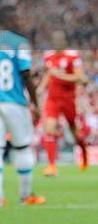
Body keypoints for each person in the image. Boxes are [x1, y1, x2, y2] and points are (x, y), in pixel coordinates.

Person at [0, 6, 45, 207]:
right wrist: (35, 104)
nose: (19, 21)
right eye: (16, 18)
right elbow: (26, 74)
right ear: (7, 20)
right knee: (22, 147)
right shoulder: (19, 43)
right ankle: (25, 196)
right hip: (14, 102)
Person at [39, 29, 88, 176]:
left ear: (64, 40)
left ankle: (83, 149)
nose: (57, 42)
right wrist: (41, 88)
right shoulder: (48, 55)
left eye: (59, 39)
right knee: (48, 128)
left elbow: (80, 77)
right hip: (53, 99)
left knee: (74, 132)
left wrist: (62, 75)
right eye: (54, 39)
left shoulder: (73, 56)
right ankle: (52, 166)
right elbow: (49, 74)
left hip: (68, 99)